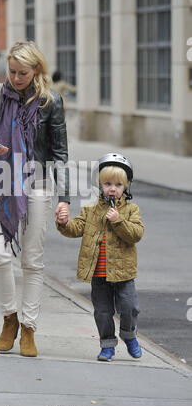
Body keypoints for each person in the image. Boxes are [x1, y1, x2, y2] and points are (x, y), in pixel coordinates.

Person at [0, 41, 70, 357]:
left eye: (22, 72)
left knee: (32, 261)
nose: (16, 77)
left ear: (36, 69)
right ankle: (9, 318)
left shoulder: (51, 103)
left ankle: (29, 328)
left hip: (37, 183)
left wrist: (64, 197)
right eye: (11, 71)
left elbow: (59, 153)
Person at [55, 153, 144, 362]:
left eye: (118, 184)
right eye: (107, 183)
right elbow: (76, 229)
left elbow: (136, 234)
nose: (112, 188)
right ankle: (107, 346)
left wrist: (118, 220)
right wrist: (64, 223)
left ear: (126, 187)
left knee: (130, 307)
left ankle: (129, 335)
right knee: (103, 312)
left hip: (123, 274)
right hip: (98, 273)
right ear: (100, 185)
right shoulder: (91, 210)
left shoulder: (131, 210)